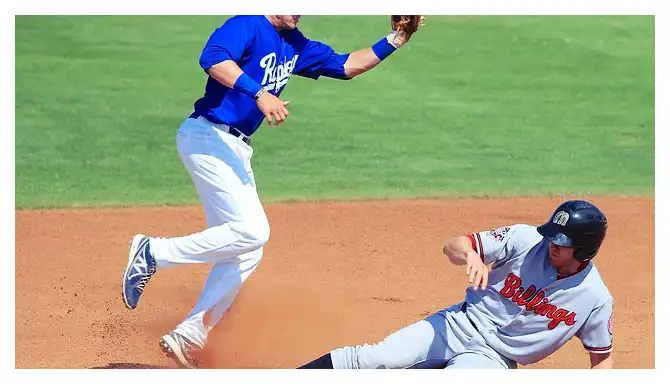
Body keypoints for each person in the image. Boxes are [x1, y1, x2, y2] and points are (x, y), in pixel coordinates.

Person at [120, 15, 423, 369]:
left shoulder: (294, 42)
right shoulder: (247, 24)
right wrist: (261, 93)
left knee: (248, 250)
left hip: (234, 147)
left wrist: (398, 38)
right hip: (208, 137)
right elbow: (213, 58)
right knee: (253, 231)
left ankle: (189, 335)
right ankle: (153, 251)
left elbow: (346, 65)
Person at [298, 200, 614, 369]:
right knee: (376, 359)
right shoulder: (525, 238)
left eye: (562, 243)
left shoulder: (595, 298)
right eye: (551, 237)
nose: (551, 245)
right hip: (457, 323)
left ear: (585, 249)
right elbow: (453, 245)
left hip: (495, 360)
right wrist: (470, 256)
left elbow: (602, 358)